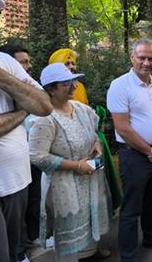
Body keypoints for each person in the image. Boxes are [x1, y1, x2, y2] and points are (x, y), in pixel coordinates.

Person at [0, 0, 53, 262]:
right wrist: (22, 106)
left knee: (15, 255)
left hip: (17, 183)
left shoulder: (4, 61)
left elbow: (43, 105)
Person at [29, 63, 111, 261]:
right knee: (70, 236)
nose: (74, 86)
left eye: (73, 80)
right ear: (50, 89)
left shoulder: (82, 109)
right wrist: (76, 166)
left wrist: (97, 144)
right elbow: (36, 155)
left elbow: (94, 134)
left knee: (91, 223)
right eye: (66, 83)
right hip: (65, 186)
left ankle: (91, 254)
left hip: (90, 180)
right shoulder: (44, 119)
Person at [107, 39, 152, 262]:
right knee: (131, 209)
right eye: (142, 57)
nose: (146, 62)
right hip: (135, 155)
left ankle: (151, 236)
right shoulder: (120, 85)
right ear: (132, 58)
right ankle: (128, 256)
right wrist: (150, 151)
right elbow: (123, 128)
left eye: (151, 58)